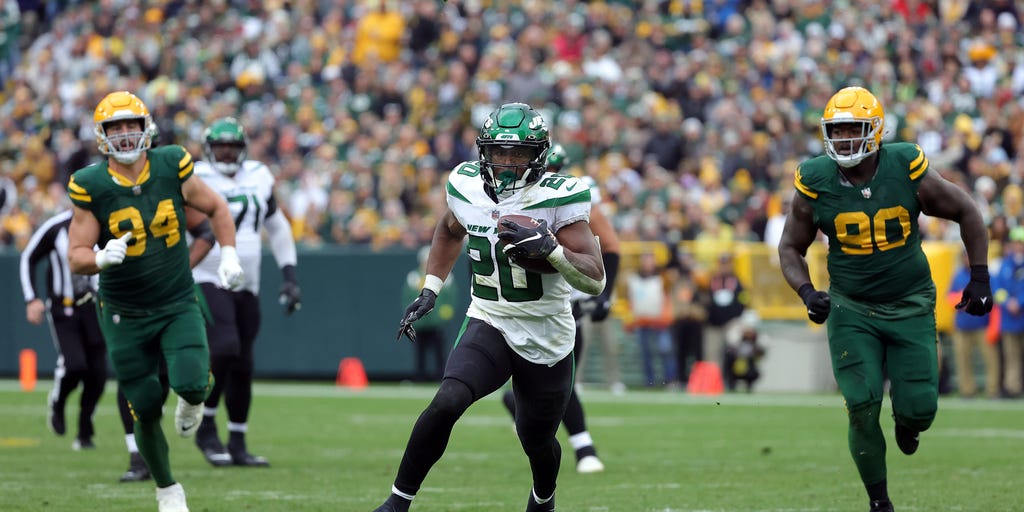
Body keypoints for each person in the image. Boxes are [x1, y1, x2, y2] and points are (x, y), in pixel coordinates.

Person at [373, 103, 605, 512]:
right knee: (447, 400)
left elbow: (594, 277)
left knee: (537, 441)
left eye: (518, 154)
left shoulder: (559, 196)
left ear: (540, 155)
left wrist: (552, 250)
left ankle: (543, 498)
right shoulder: (466, 186)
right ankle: (397, 503)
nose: (508, 163)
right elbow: (448, 231)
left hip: (546, 333)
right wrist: (430, 288)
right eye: (499, 152)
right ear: (484, 151)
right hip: (490, 318)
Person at [778, 86, 992, 512]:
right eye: (836, 131)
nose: (842, 140)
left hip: (910, 301)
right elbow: (790, 247)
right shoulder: (816, 179)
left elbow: (967, 210)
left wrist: (980, 276)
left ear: (874, 131)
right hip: (851, 306)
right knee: (860, 404)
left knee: (920, 411)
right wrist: (806, 292)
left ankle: (908, 423)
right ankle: (880, 502)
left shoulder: (904, 166)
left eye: (852, 130)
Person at [66, 91, 243, 512]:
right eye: (116, 128)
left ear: (146, 128)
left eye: (131, 125)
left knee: (193, 384)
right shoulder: (90, 184)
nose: (125, 135)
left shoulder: (171, 163)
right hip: (124, 311)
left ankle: (194, 400)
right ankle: (168, 489)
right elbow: (76, 254)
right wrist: (98, 258)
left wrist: (230, 253)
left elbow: (216, 209)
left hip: (176, 299)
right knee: (144, 406)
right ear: (102, 135)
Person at [184, 117, 301, 468]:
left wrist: (290, 276)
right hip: (206, 274)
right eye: (220, 146)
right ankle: (205, 425)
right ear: (208, 148)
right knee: (225, 346)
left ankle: (237, 440)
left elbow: (277, 227)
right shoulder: (194, 177)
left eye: (232, 146)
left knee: (244, 362)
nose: (226, 152)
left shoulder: (259, 175)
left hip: (248, 281)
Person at [499, 142, 622, 474]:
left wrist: (604, 294)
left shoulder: (573, 194)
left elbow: (609, 245)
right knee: (537, 385)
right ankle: (525, 409)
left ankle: (584, 448)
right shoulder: (503, 193)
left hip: (565, 301)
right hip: (518, 303)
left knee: (562, 381)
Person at [19, 208, 166, 482]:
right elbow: (29, 256)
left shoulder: (107, 223)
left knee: (97, 376)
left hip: (97, 307)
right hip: (65, 310)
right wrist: (31, 298)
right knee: (75, 365)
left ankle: (84, 431)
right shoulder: (57, 226)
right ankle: (58, 402)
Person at [401, 245, 458, 382]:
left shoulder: (446, 275)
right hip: (420, 321)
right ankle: (420, 376)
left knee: (440, 351)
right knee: (419, 350)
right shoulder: (413, 277)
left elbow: (451, 297)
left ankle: (441, 375)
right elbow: (407, 297)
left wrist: (445, 313)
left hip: (436, 320)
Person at [948, 250, 1000, 399]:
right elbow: (949, 297)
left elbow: (994, 297)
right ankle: (967, 390)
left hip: (983, 323)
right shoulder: (957, 275)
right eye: (965, 257)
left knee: (991, 359)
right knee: (962, 359)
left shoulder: (985, 276)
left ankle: (993, 389)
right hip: (963, 325)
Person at [994, 227, 1024, 397]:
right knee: (1012, 357)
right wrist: (1008, 303)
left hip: (1022, 315)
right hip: (1009, 320)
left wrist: (1019, 302)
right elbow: (997, 289)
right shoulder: (1005, 264)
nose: (1019, 246)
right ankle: (1013, 388)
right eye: (1016, 243)